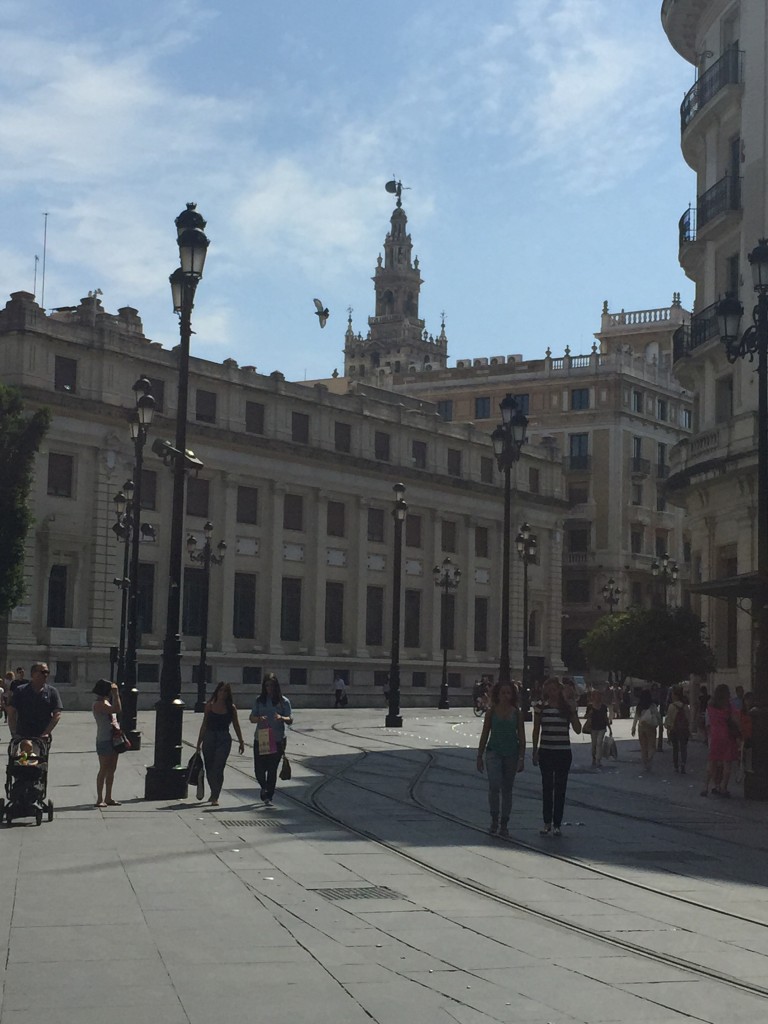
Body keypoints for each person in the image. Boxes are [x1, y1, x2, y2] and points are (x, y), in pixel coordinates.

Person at [531, 677, 581, 836]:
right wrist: (534, 750)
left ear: (560, 690)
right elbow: (536, 729)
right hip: (546, 751)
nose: (552, 693)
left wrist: (572, 711)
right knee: (547, 787)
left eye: (555, 690)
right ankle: (547, 822)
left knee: (560, 788)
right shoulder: (540, 708)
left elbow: (578, 729)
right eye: (549, 690)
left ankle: (557, 823)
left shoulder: (567, 708)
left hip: (563, 751)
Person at [476, 680, 526, 837]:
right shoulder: (491, 712)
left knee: (507, 789)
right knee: (494, 785)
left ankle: (504, 822)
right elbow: (485, 733)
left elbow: (522, 737)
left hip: (511, 752)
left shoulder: (516, 713)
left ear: (513, 695)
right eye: (503, 693)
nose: (505, 696)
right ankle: (494, 819)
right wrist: (479, 755)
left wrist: (522, 757)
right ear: (497, 694)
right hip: (493, 752)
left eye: (508, 693)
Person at [196, 682, 245, 806]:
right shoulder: (209, 706)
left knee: (219, 766)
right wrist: (198, 743)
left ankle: (215, 795)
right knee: (209, 767)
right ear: (217, 691)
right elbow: (204, 724)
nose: (223, 693)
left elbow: (236, 725)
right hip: (209, 737)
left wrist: (241, 741)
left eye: (225, 691)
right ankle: (213, 791)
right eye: (221, 690)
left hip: (224, 738)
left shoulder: (231, 708)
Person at [249, 673, 293, 806]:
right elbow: (252, 718)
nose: (269, 688)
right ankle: (264, 786)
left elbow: (290, 719)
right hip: (261, 738)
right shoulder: (259, 700)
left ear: (276, 686)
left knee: (272, 769)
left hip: (277, 739)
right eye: (267, 685)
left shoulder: (283, 701)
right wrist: (258, 719)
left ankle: (269, 795)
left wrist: (281, 718)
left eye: (272, 685)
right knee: (259, 769)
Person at [7, 663, 63, 742]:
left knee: (38, 754)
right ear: (33, 673)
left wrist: (46, 732)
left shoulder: (52, 691)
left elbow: (57, 714)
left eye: (47, 672)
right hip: (22, 735)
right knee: (24, 753)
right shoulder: (21, 690)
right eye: (43, 672)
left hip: (42, 736)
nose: (45, 675)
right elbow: (11, 712)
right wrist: (14, 733)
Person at [701, 682, 740, 797]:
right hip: (727, 735)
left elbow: (707, 722)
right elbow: (735, 720)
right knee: (726, 763)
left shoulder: (711, 705)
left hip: (714, 735)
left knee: (712, 762)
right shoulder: (728, 706)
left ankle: (705, 787)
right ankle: (723, 787)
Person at [92, 678, 122, 807]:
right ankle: (100, 798)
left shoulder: (106, 702)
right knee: (104, 768)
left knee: (112, 768)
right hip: (104, 739)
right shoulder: (99, 704)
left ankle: (108, 796)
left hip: (113, 738)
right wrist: (116, 694)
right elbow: (117, 709)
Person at [631, 689, 660, 771]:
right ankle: (650, 759)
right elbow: (657, 715)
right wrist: (660, 723)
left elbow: (636, 718)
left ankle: (645, 763)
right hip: (651, 727)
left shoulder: (639, 706)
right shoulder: (652, 705)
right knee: (652, 745)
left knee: (643, 747)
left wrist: (633, 728)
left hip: (641, 727)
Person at [664, 686, 690, 773]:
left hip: (674, 729)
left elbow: (669, 720)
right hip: (683, 730)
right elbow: (688, 718)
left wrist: (668, 730)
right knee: (683, 747)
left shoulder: (671, 706)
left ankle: (676, 766)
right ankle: (683, 763)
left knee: (675, 748)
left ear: (675, 695)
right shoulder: (685, 706)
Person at [584, 689, 610, 769]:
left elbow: (606, 718)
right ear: (593, 697)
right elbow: (585, 716)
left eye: (599, 695)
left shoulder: (604, 707)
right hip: (593, 727)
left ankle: (598, 760)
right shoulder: (590, 707)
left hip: (602, 727)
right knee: (594, 744)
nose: (598, 697)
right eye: (596, 695)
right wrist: (589, 713)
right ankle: (594, 758)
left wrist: (609, 727)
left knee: (599, 743)